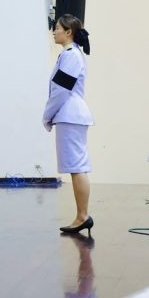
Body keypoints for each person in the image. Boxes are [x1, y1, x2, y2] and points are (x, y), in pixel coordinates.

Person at [43, 14, 94, 234]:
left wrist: (47, 115)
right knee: (76, 167)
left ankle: (82, 216)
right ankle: (81, 215)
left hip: (70, 115)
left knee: (77, 167)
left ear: (68, 32)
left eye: (57, 28)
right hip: (71, 116)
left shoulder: (71, 55)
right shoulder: (71, 54)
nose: (54, 31)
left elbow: (61, 90)